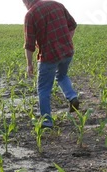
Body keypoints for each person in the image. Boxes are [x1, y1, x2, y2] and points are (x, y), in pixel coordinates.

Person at [23, 0, 79, 128]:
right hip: (67, 51)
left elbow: (29, 44)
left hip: (48, 56)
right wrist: (66, 42)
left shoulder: (30, 15)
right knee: (62, 76)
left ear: (26, 2)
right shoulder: (57, 5)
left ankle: (47, 121)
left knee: (44, 88)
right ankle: (72, 97)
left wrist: (29, 64)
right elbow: (73, 25)